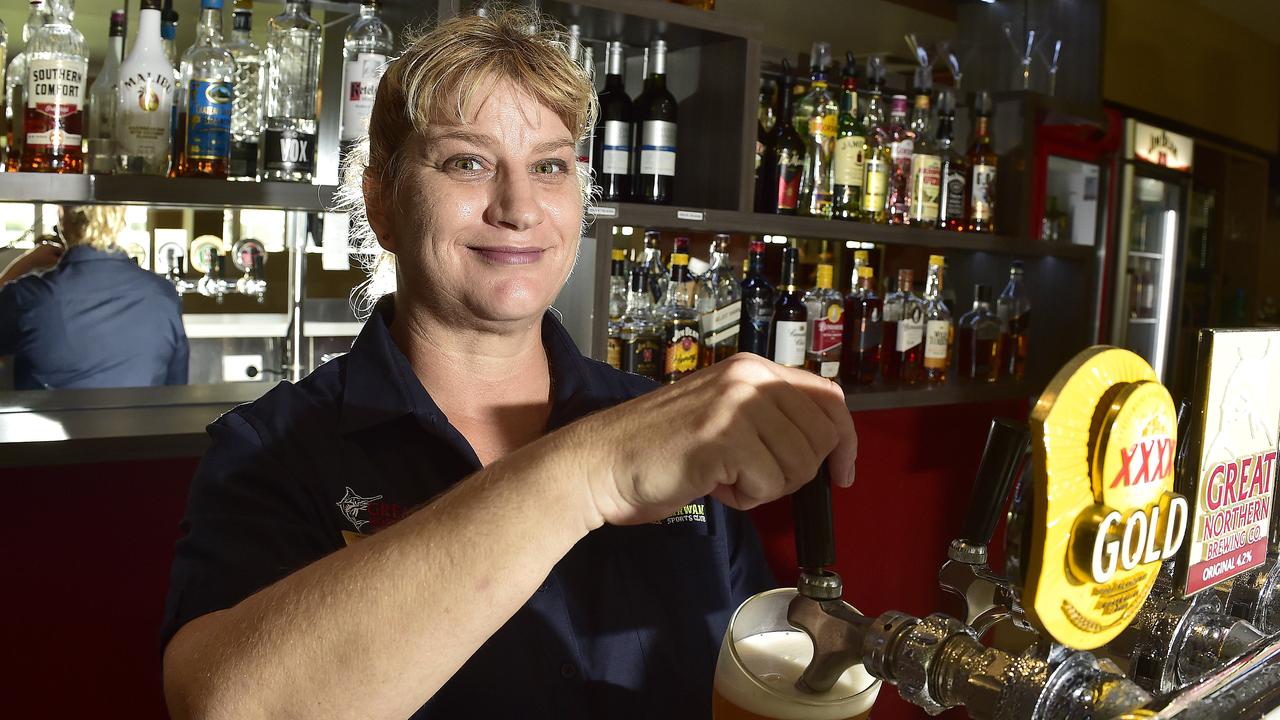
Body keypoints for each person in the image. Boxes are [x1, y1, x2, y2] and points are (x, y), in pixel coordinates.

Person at [160, 9, 857, 720]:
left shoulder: (676, 430)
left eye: (549, 166)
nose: (519, 207)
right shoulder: (272, 450)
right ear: (382, 205)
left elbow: (750, 662)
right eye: (467, 161)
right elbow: (226, 706)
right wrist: (589, 472)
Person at [0, 205, 188, 389]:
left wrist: (27, 261)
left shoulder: (29, 297)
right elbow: (175, 390)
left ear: (62, 217)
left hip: (44, 419)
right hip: (141, 420)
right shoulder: (163, 294)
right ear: (121, 218)